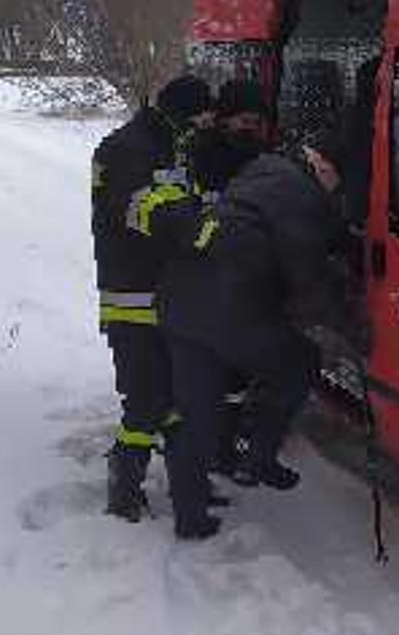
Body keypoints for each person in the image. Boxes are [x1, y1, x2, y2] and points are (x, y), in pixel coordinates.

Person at [158, 128, 355, 540]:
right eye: (339, 179)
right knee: (298, 362)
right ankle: (258, 456)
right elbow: (308, 277)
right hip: (226, 307)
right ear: (322, 164)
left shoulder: (264, 171)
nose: (338, 191)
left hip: (181, 296)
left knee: (197, 409)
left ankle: (190, 512)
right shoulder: (301, 196)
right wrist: (352, 325)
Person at [90, 74, 214, 522]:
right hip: (132, 296)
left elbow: (187, 198)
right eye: (201, 115)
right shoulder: (125, 149)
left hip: (170, 293)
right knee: (145, 400)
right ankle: (123, 484)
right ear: (183, 112)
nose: (206, 124)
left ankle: (189, 489)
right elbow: (141, 209)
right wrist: (196, 226)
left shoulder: (172, 144)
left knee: (179, 397)